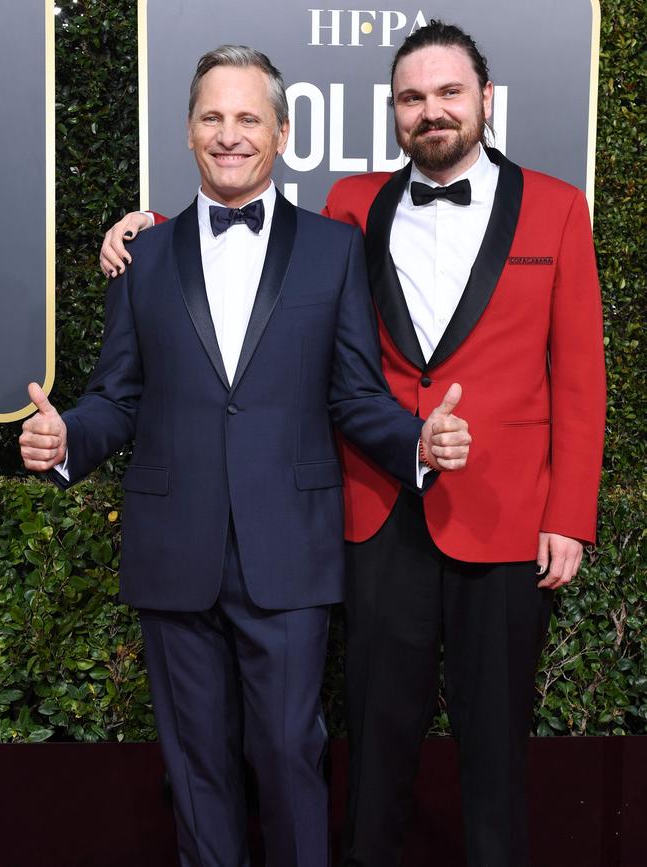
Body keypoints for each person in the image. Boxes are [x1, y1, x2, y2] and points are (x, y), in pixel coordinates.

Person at [97, 22, 606, 867]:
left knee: (495, 746)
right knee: (373, 746)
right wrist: (146, 229)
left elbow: (580, 374)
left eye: (448, 93)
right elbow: (247, 249)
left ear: (486, 99)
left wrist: (571, 514)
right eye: (413, 98)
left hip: (509, 513)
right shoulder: (351, 207)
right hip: (377, 508)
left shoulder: (558, 206)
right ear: (394, 113)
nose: (431, 111)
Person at [20, 45, 472, 867]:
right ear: (189, 133)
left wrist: (419, 441)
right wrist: (65, 440)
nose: (229, 135)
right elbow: (116, 398)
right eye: (212, 118)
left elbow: (355, 395)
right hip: (172, 545)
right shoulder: (142, 256)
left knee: (290, 751)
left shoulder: (334, 252)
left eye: (248, 118)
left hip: (289, 548)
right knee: (195, 765)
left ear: (284, 132)